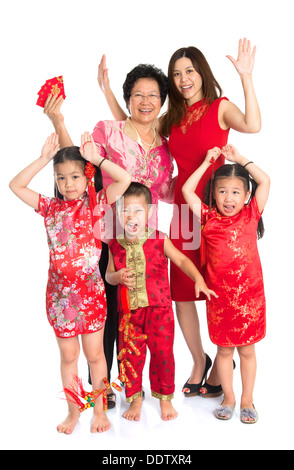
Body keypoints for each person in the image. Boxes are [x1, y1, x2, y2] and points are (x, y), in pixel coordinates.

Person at [97, 38, 261, 398]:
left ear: (202, 73)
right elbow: (131, 124)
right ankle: (199, 362)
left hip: (218, 211)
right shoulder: (172, 118)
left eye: (189, 71)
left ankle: (223, 363)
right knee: (182, 295)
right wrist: (109, 92)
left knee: (220, 289)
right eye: (177, 73)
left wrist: (247, 76)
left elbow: (252, 124)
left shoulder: (220, 106)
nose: (184, 78)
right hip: (185, 214)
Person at [43, 63, 175, 408]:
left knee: (141, 314)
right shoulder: (108, 130)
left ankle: (138, 385)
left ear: (162, 101)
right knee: (107, 315)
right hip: (104, 234)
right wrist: (58, 122)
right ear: (127, 98)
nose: (145, 101)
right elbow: (81, 166)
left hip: (147, 241)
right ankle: (104, 388)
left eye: (153, 95)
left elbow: (167, 191)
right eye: (137, 95)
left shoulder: (166, 146)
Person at [9, 132, 131, 434]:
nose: (68, 184)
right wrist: (42, 159)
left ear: (86, 175)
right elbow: (15, 186)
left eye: (75, 176)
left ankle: (99, 410)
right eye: (61, 178)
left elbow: (125, 180)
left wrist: (96, 158)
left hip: (90, 296)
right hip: (61, 299)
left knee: (95, 356)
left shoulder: (96, 204)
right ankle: (74, 410)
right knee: (68, 357)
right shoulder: (50, 207)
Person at [105, 182, 217, 421]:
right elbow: (108, 275)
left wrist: (198, 279)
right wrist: (117, 276)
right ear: (117, 212)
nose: (131, 216)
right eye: (125, 210)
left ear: (150, 212)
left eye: (137, 211)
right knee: (130, 357)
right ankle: (135, 400)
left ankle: (165, 400)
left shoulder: (159, 239)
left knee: (163, 355)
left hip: (160, 311)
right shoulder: (114, 244)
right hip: (128, 315)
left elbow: (182, 261)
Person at [182, 144, 270, 423]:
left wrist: (241, 160)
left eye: (235, 192)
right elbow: (186, 191)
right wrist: (208, 162)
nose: (228, 198)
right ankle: (229, 397)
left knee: (247, 350)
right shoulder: (209, 219)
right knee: (223, 350)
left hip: (250, 300)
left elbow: (265, 181)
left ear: (246, 195)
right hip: (220, 299)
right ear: (213, 195)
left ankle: (247, 399)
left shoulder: (251, 214)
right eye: (222, 191)